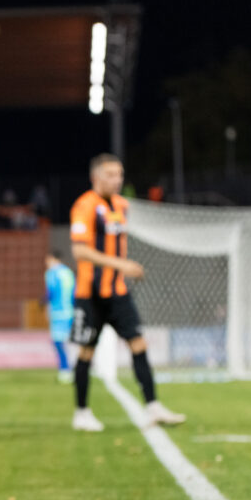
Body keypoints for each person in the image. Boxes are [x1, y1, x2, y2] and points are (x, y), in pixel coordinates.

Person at [69, 154, 185, 432]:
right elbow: (80, 250)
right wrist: (121, 264)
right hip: (91, 294)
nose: (117, 180)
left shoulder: (122, 205)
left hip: (118, 291)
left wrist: (122, 268)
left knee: (138, 344)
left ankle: (153, 406)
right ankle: (82, 412)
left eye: (120, 174)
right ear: (96, 177)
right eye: (110, 174)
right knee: (86, 352)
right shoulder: (84, 206)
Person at [44, 251, 75, 383]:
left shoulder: (51, 273)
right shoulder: (69, 272)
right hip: (71, 311)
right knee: (72, 341)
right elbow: (74, 292)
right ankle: (75, 367)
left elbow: (51, 291)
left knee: (58, 342)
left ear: (53, 259)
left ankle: (65, 370)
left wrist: (43, 302)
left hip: (58, 312)